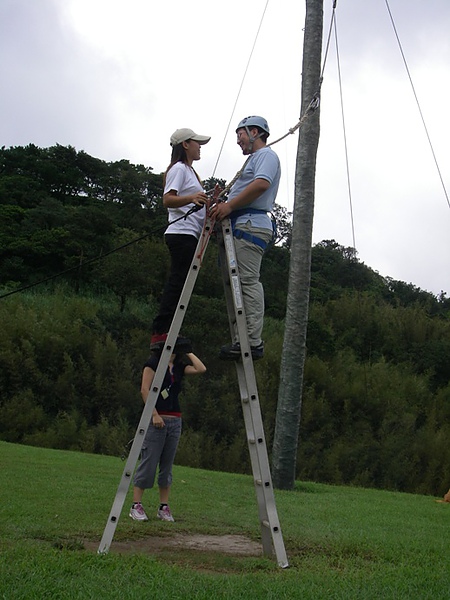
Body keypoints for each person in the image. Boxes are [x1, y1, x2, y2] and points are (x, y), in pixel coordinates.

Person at [209, 116, 280, 361]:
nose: (238, 141)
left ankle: (252, 342)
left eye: (240, 134)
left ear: (255, 132)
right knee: (237, 282)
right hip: (242, 224)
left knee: (247, 282)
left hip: (249, 225)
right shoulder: (255, 159)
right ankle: (243, 339)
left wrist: (228, 207)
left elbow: (261, 184)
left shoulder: (265, 156)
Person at [129, 347, 206, 522]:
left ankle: (163, 507)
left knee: (167, 465)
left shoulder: (179, 366)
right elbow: (144, 390)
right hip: (156, 419)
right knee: (149, 462)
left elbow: (201, 369)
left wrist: (188, 351)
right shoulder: (153, 363)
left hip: (174, 420)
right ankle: (136, 505)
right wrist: (154, 414)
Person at [151, 128, 211, 349]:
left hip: (189, 234)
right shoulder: (178, 169)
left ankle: (166, 331)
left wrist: (205, 198)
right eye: (197, 142)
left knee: (180, 282)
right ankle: (161, 332)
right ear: (185, 144)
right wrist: (192, 197)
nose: (200, 146)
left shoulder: (190, 172)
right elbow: (168, 200)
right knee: (177, 283)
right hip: (181, 233)